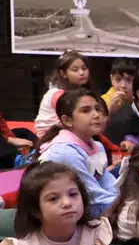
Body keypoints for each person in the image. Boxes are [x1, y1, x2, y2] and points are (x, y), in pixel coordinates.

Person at [36, 88, 119, 216]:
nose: (97, 115)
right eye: (86, 110)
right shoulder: (65, 152)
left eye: (97, 109)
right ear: (67, 120)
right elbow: (93, 196)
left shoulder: (97, 146)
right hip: (62, 213)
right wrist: (125, 207)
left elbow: (106, 183)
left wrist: (123, 201)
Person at [34, 50, 91, 137]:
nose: (82, 73)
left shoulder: (82, 91)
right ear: (63, 73)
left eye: (84, 68)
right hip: (51, 139)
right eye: (75, 70)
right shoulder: (57, 94)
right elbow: (80, 121)